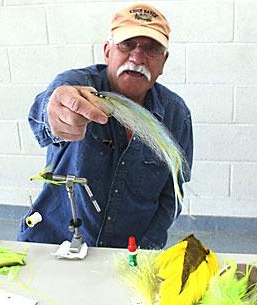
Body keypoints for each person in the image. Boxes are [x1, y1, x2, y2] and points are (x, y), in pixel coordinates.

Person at [18, 2, 193, 249]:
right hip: (54, 244)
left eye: (151, 49)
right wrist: (55, 110)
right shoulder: (80, 85)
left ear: (163, 62)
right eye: (127, 44)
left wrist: (148, 247)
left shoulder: (177, 115)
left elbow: (172, 194)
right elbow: (51, 103)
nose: (137, 57)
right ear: (107, 51)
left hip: (128, 253)